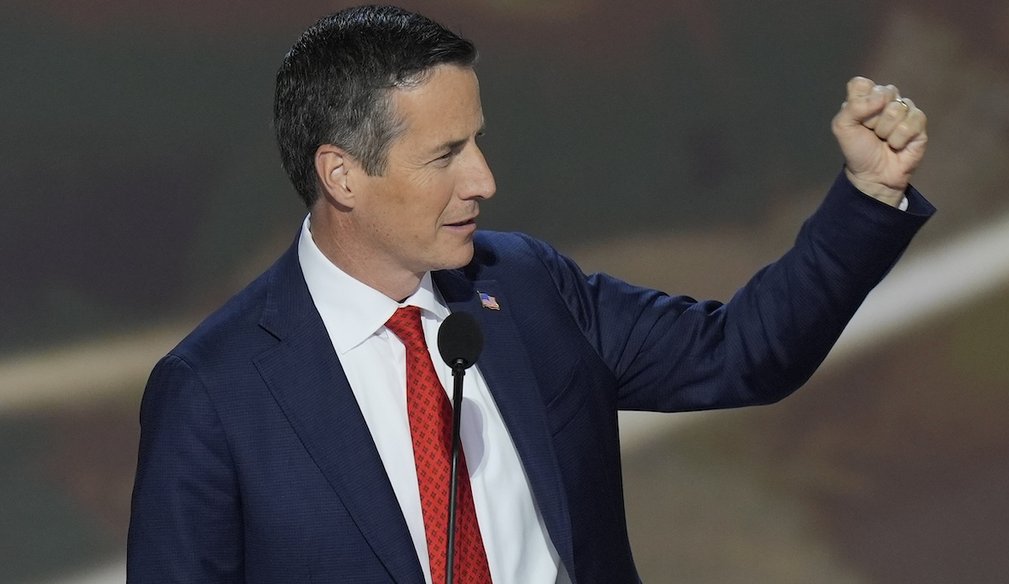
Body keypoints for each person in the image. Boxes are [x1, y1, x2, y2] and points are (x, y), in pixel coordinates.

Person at [127, 5, 933, 583]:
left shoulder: (527, 286)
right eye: (446, 154)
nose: (484, 179)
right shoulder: (215, 391)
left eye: (477, 140)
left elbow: (742, 353)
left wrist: (867, 197)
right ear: (342, 173)